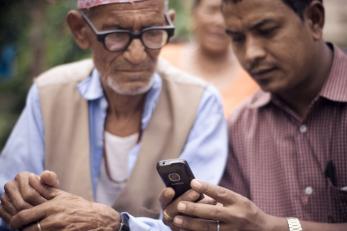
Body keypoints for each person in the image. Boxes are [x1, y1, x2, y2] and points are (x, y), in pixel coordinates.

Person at [0, 0, 228, 230]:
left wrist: (119, 225)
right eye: (116, 34)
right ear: (80, 30)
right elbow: (8, 195)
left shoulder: (200, 103)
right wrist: (18, 199)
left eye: (153, 32)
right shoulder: (48, 94)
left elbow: (200, 222)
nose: (137, 55)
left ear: (168, 23)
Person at [160, 0, 347, 230]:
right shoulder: (240, 128)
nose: (251, 54)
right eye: (237, 39)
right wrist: (197, 220)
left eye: (267, 31)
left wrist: (272, 227)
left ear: (314, 20)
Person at [160, 0, 258, 116]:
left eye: (226, 14)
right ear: (193, 14)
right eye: (211, 10)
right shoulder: (163, 60)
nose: (219, 21)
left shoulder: (253, 70)